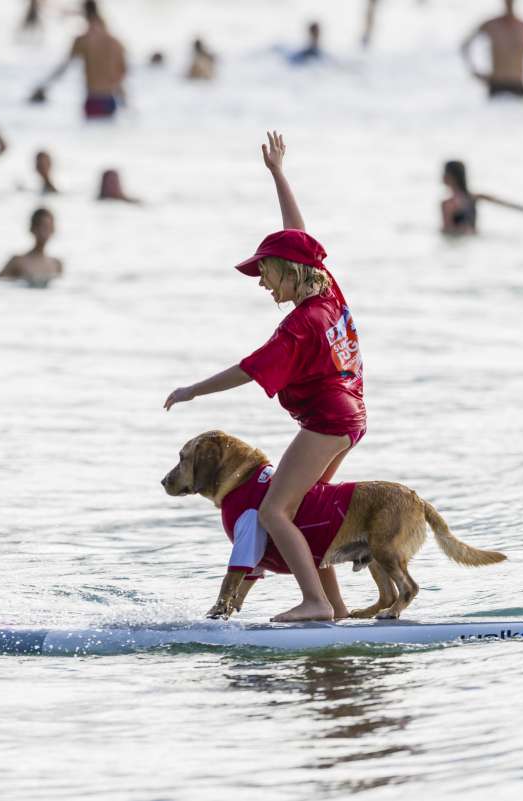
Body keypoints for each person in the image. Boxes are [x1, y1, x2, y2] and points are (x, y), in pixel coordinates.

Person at [164, 132, 366, 623]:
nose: (262, 282)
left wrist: (193, 390)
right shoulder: (325, 290)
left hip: (325, 422)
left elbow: (248, 370)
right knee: (297, 509)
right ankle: (334, 604)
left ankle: (316, 603)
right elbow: (296, 232)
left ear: (288, 271)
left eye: (266, 273)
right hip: (350, 416)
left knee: (275, 511)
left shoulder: (300, 325)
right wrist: (278, 174)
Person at [31, 0, 127, 120]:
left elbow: (64, 68)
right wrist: (125, 103)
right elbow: (120, 75)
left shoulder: (83, 40)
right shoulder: (115, 42)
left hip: (93, 101)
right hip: (110, 101)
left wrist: (44, 86)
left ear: (85, 14)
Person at [441, 160, 523, 235]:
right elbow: (511, 206)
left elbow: (446, 230)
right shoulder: (474, 197)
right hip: (475, 239)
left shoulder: (447, 204)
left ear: (450, 176)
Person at [460, 0, 523, 99]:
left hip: (517, 85)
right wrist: (474, 72)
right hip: (496, 84)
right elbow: (465, 45)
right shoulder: (491, 26)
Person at [0, 208, 63, 288]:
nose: (46, 233)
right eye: (43, 227)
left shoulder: (56, 264)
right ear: (33, 228)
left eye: (49, 227)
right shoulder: (17, 262)